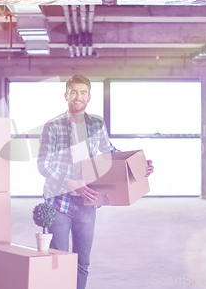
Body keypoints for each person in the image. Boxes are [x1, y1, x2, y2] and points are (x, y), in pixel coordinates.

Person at [37, 75, 154, 289]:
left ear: (89, 97)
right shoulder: (52, 126)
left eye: (82, 92)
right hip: (58, 202)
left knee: (82, 262)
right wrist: (72, 183)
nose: (78, 97)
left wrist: (139, 165)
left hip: (87, 203)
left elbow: (110, 153)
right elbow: (44, 164)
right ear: (66, 95)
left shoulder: (96, 125)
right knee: (59, 260)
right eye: (73, 92)